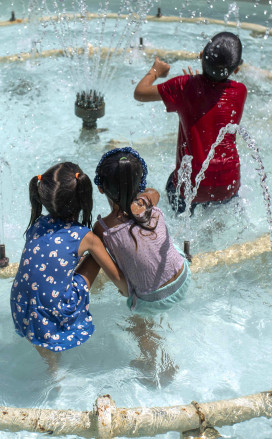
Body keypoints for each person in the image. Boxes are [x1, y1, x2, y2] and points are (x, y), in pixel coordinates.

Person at [10, 161, 126, 371]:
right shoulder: (86, 237)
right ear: (84, 197)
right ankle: (54, 342)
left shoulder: (37, 225)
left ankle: (51, 365)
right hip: (57, 311)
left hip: (22, 309)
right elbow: (122, 285)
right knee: (96, 251)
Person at [93, 147, 191, 383]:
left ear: (100, 188)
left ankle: (160, 364)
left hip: (152, 300)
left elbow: (118, 278)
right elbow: (153, 193)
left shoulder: (103, 229)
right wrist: (141, 197)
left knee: (138, 327)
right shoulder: (149, 201)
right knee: (164, 242)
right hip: (182, 278)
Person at [133, 31, 247, 213]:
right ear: (236, 70)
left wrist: (156, 71)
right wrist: (194, 85)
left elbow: (140, 93)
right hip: (228, 185)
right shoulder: (240, 91)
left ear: (201, 55)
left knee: (173, 184)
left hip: (191, 187)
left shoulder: (183, 87)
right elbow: (210, 100)